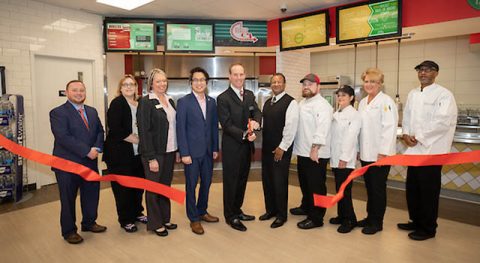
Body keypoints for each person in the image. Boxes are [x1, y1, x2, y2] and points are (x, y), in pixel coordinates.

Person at [398, 60, 457, 241]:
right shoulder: (414, 93)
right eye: (420, 70)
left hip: (432, 150)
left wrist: (419, 137)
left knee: (428, 191)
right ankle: (415, 220)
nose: (423, 73)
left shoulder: (444, 95)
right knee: (413, 188)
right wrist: (406, 134)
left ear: (436, 73)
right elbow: (407, 117)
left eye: (428, 70)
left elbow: (442, 122)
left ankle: (428, 228)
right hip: (414, 151)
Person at [50, 80, 106, 244]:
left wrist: (96, 148)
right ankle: (69, 231)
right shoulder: (58, 113)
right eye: (74, 90)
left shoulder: (92, 111)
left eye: (81, 90)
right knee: (68, 199)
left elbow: (100, 132)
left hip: (90, 163)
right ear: (67, 92)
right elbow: (63, 137)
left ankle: (89, 223)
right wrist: (86, 151)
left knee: (91, 194)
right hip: (67, 165)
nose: (79, 93)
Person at [217, 63, 262, 232]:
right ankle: (231, 216)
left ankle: (238, 209)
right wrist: (244, 134)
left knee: (242, 180)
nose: (238, 77)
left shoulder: (249, 95)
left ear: (245, 76)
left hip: (246, 147)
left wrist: (257, 121)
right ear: (229, 76)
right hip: (232, 147)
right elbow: (226, 124)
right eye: (235, 74)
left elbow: (256, 111)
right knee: (231, 182)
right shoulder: (223, 98)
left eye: (241, 74)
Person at [176, 67, 220, 235]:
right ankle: (194, 218)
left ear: (206, 83)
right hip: (192, 154)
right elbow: (181, 129)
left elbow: (214, 127)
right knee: (191, 185)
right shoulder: (184, 102)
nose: (199, 83)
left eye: (202, 80)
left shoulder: (211, 102)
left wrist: (215, 147)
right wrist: (184, 152)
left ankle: (202, 211)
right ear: (191, 83)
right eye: (196, 80)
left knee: (206, 183)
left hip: (208, 152)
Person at [137, 68, 179, 237]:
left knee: (165, 187)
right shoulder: (146, 102)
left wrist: (176, 150)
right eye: (158, 81)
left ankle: (165, 218)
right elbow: (144, 131)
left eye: (164, 81)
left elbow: (174, 128)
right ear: (151, 84)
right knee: (153, 189)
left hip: (169, 151)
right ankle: (155, 223)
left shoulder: (170, 100)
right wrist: (150, 158)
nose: (162, 84)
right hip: (155, 153)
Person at [103, 75, 146, 233]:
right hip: (120, 155)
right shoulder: (117, 103)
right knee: (123, 189)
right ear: (120, 88)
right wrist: (134, 139)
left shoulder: (140, 103)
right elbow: (114, 127)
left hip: (137, 155)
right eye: (125, 85)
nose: (128, 87)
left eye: (132, 84)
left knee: (138, 186)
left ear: (136, 87)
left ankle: (137, 213)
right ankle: (126, 219)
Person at [357, 68, 398, 235]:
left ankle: (377, 222)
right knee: (369, 187)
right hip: (366, 153)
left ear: (380, 84)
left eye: (373, 81)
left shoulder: (386, 101)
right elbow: (360, 128)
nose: (369, 84)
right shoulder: (362, 102)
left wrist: (383, 153)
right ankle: (369, 217)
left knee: (378, 188)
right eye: (366, 81)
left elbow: (389, 128)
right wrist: (358, 149)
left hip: (380, 155)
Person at [292, 73, 333, 230]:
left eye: (310, 84)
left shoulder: (322, 105)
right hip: (303, 152)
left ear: (318, 86)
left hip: (316, 153)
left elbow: (322, 128)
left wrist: (315, 148)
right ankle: (306, 206)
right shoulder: (302, 103)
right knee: (305, 183)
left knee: (317, 186)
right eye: (304, 84)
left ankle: (317, 217)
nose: (306, 87)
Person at [260, 73, 298, 229]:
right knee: (267, 180)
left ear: (284, 84)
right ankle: (271, 210)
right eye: (273, 82)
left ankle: (281, 215)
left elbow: (291, 127)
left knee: (279, 182)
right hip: (267, 148)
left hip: (280, 149)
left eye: (279, 82)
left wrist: (282, 147)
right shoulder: (268, 102)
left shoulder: (291, 103)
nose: (276, 84)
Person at [328, 85, 361, 234]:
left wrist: (344, 158)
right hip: (336, 157)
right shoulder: (337, 113)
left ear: (352, 98)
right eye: (339, 95)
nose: (340, 98)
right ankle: (341, 216)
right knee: (339, 189)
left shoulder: (354, 115)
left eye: (344, 96)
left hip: (344, 159)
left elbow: (350, 138)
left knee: (345, 190)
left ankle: (350, 219)